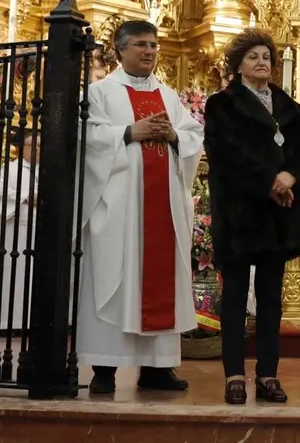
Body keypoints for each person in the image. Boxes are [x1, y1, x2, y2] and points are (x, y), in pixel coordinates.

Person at [78, 20, 204, 395]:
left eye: (153, 45)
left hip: (162, 208)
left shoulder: (168, 95)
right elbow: (83, 135)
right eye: (141, 45)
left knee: (160, 281)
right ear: (120, 49)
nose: (149, 51)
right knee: (113, 278)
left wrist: (174, 135)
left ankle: (158, 368)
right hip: (119, 208)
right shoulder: (100, 92)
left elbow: (194, 134)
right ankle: (104, 368)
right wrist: (129, 132)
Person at [204, 29, 300, 405]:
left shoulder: (290, 107)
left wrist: (291, 178)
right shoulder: (221, 105)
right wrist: (268, 182)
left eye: (266, 57)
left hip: (279, 214)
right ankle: (234, 374)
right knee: (236, 296)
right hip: (241, 212)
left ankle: (269, 374)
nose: (262, 62)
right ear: (238, 65)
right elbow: (227, 154)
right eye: (253, 56)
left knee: (272, 299)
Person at [0, 127, 39, 332]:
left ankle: (29, 323)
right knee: (10, 275)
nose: (36, 150)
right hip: (14, 231)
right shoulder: (11, 169)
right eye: (31, 146)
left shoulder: (45, 170)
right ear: (23, 148)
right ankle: (3, 323)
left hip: (37, 232)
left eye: (40, 146)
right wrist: (26, 197)